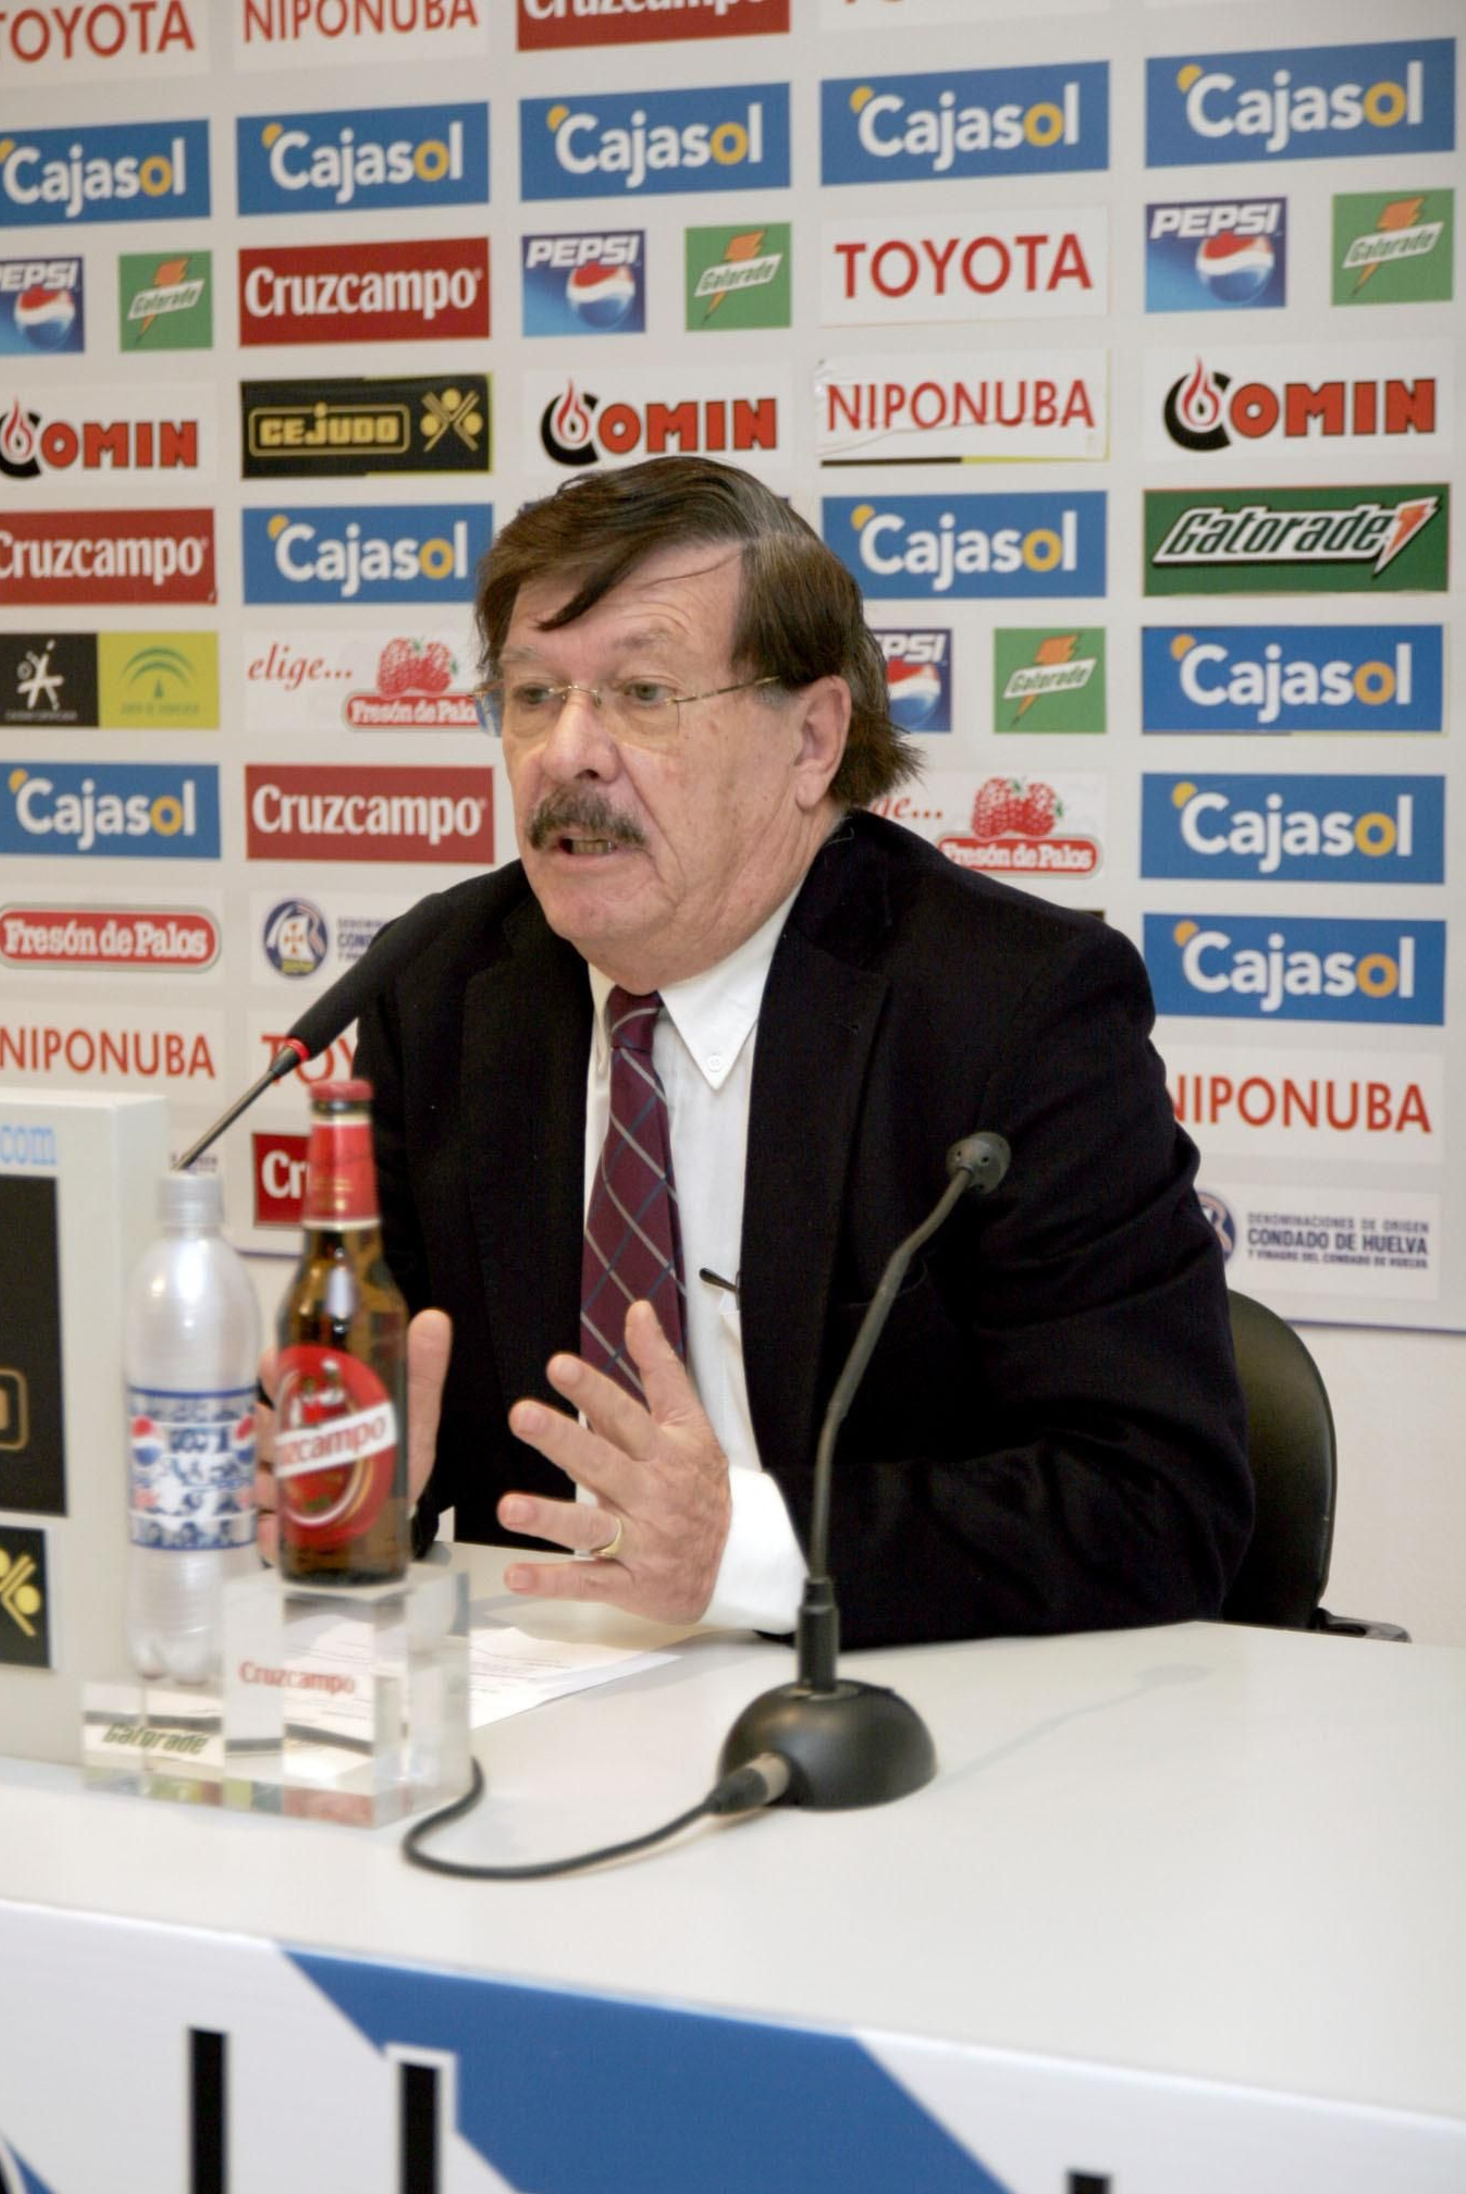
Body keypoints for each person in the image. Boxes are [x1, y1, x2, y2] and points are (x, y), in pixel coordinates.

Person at [273, 457, 1252, 1648]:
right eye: (532, 696)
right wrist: (349, 1484)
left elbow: (1158, 1505)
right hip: (526, 1711)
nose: (567, 753)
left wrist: (738, 1552)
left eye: (641, 694)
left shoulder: (1012, 1013)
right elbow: (411, 1435)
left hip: (899, 1727)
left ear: (812, 739)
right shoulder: (441, 985)